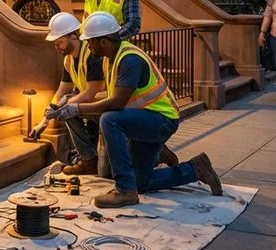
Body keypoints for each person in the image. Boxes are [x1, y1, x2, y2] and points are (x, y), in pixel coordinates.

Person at [46, 12, 222, 208]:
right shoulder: (109, 59)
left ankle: (124, 190)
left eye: (91, 41)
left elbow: (117, 104)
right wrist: (71, 107)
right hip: (144, 120)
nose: (88, 45)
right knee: (140, 182)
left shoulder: (129, 60)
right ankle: (195, 169)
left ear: (104, 41)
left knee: (109, 120)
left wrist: (77, 108)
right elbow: (111, 99)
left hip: (161, 120)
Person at [31, 13, 179, 175]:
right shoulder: (100, 58)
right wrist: (46, 119)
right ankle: (90, 160)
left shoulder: (122, 59)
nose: (88, 45)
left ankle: (154, 155)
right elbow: (63, 91)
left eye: (59, 41)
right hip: (123, 111)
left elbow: (108, 100)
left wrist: (73, 107)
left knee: (107, 136)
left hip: (149, 116)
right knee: (133, 179)